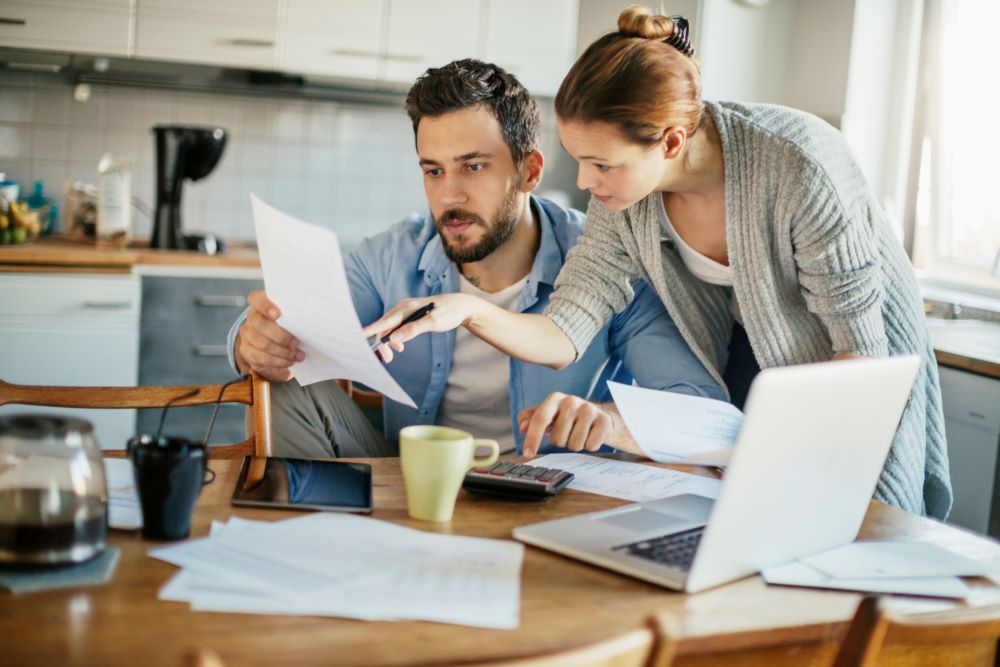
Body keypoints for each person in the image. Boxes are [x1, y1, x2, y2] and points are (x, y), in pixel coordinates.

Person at [365, 9, 951, 519]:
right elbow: (566, 328)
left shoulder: (798, 165)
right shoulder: (624, 201)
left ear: (670, 143)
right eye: (578, 162)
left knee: (854, 529)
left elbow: (859, 358)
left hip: (847, 367)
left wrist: (788, 450)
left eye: (602, 164)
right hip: (751, 365)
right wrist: (467, 310)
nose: (587, 185)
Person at [229, 58, 722, 460]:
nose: (450, 195)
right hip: (410, 479)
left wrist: (609, 419)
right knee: (281, 384)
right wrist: (253, 342)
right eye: (434, 171)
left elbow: (700, 409)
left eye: (474, 166)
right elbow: (290, 333)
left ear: (529, 171)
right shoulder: (390, 255)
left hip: (548, 491)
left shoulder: (606, 263)